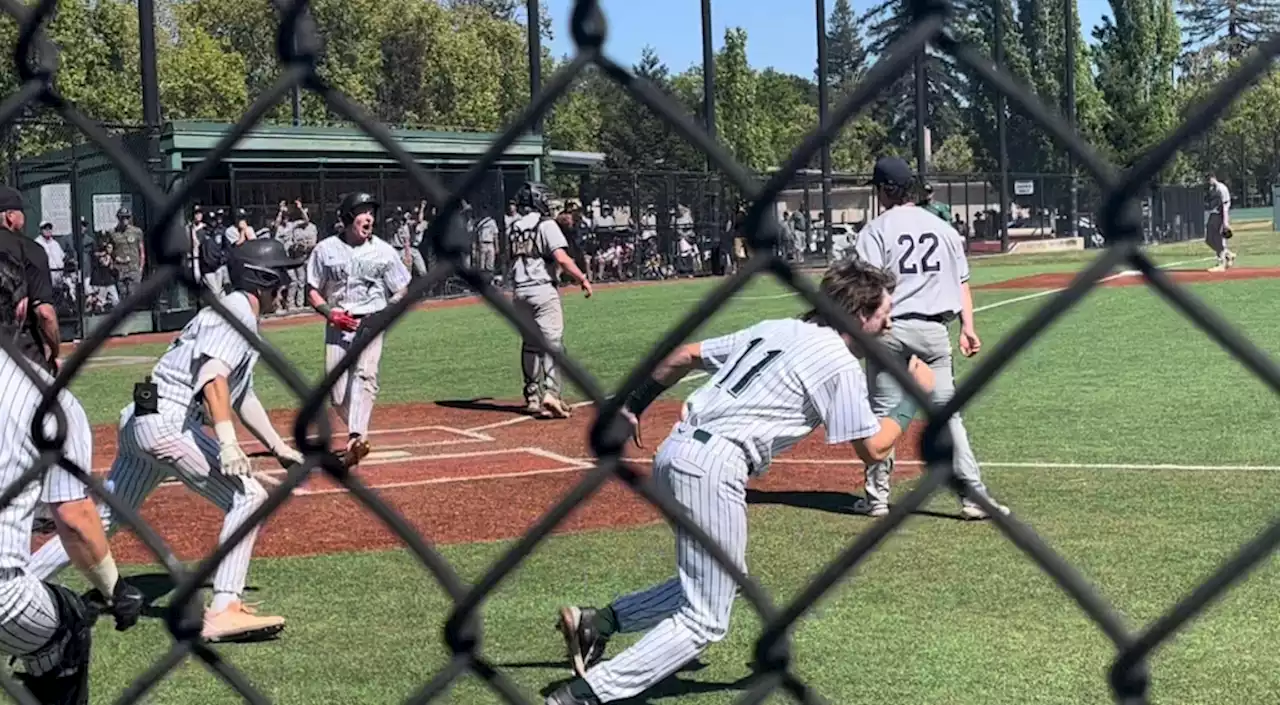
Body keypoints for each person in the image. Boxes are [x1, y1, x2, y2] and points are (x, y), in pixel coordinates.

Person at [544, 259, 934, 705]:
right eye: (884, 312)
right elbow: (874, 449)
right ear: (859, 316)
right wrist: (910, 395)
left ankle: (601, 622)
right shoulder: (837, 362)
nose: (888, 322)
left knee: (724, 578)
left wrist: (635, 404)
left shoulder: (779, 328)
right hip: (715, 465)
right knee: (707, 618)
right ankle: (583, 695)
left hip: (677, 452)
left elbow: (685, 354)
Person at [28, 238, 305, 643]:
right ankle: (226, 607)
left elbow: (241, 394)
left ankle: (18, 583)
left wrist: (278, 447)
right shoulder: (239, 311)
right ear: (263, 279)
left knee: (106, 518)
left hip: (144, 415)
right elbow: (214, 377)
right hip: (169, 421)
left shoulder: (235, 312)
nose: (287, 281)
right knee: (248, 497)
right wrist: (227, 443)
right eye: (282, 274)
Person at [0, 252, 144, 703]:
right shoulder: (46, 400)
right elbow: (76, 518)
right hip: (3, 596)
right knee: (67, 628)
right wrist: (114, 588)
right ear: (22, 309)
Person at [851, 156, 1008, 520]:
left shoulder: (875, 230)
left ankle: (876, 498)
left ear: (885, 190)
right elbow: (962, 283)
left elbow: (867, 289)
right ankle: (972, 498)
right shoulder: (944, 229)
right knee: (948, 417)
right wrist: (968, 327)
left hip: (888, 329)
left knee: (882, 414)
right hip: (934, 331)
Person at [305, 192, 411, 467]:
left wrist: (386, 313)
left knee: (365, 376)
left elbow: (401, 288)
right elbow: (312, 290)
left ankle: (356, 436)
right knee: (337, 393)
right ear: (348, 217)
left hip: (372, 319)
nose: (369, 218)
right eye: (363, 212)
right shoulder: (325, 250)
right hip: (338, 322)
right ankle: (359, 434)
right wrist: (330, 314)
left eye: (372, 213)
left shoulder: (384, 251)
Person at [506, 182, 593, 419]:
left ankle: (531, 395)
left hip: (519, 291)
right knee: (553, 342)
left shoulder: (512, 227)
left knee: (531, 344)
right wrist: (581, 278)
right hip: (543, 289)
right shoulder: (546, 224)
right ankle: (552, 392)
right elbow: (561, 258)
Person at [0, 185, 60, 374]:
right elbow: (45, 314)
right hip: (22, 352)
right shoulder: (30, 249)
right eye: (21, 212)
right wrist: (55, 351)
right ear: (10, 216)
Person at [109, 207, 145, 299]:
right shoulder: (113, 233)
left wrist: (141, 267)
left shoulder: (137, 232)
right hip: (120, 269)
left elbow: (141, 250)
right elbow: (110, 250)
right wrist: (115, 258)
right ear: (118, 218)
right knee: (123, 294)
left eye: (127, 217)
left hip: (133, 268)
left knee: (133, 295)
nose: (125, 220)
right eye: (122, 217)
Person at [1205, 173, 1236, 272]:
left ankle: (1221, 264)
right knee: (1209, 240)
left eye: (1209, 179)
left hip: (1220, 215)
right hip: (1213, 214)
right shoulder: (1212, 189)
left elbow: (1225, 206)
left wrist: (1225, 222)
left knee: (1219, 239)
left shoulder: (1222, 189)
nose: (1208, 181)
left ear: (1214, 178)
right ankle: (1228, 255)